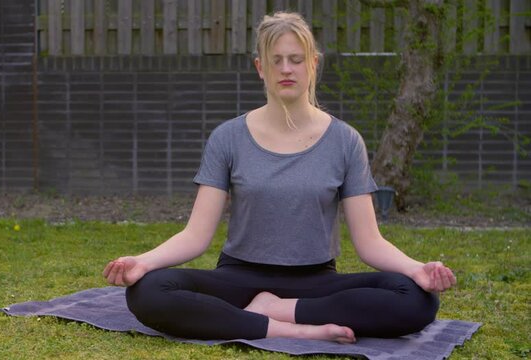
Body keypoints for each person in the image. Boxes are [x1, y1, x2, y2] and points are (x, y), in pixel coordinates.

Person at [103, 11, 456, 344]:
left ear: (313, 65)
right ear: (261, 67)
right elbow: (196, 235)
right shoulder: (228, 137)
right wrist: (144, 262)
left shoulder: (345, 141)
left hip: (315, 282)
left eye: (296, 59)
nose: (286, 69)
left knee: (418, 299)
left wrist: (417, 269)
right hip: (238, 278)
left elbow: (369, 243)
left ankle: (277, 311)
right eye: (276, 60)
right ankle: (291, 330)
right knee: (148, 291)